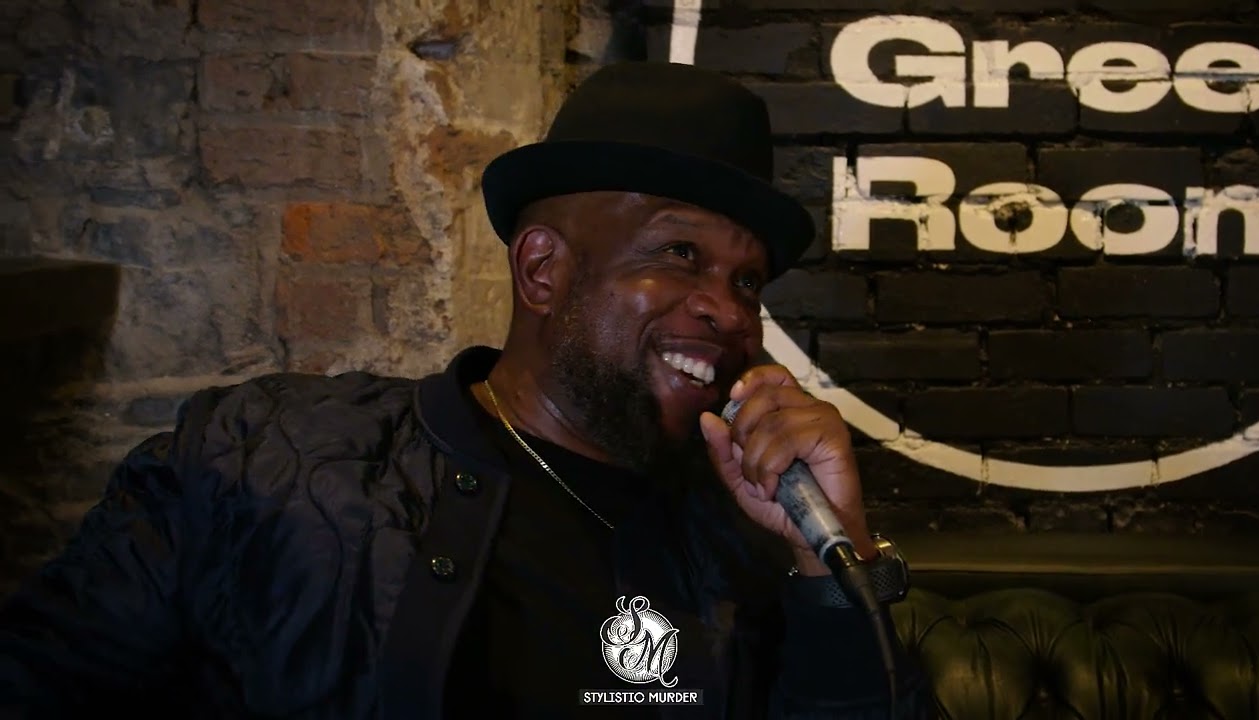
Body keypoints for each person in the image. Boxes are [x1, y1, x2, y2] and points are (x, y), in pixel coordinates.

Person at [0, 61, 931, 718]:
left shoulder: (749, 539)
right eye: (680, 253)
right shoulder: (261, 461)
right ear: (542, 270)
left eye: (747, 280)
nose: (729, 310)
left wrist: (833, 563)